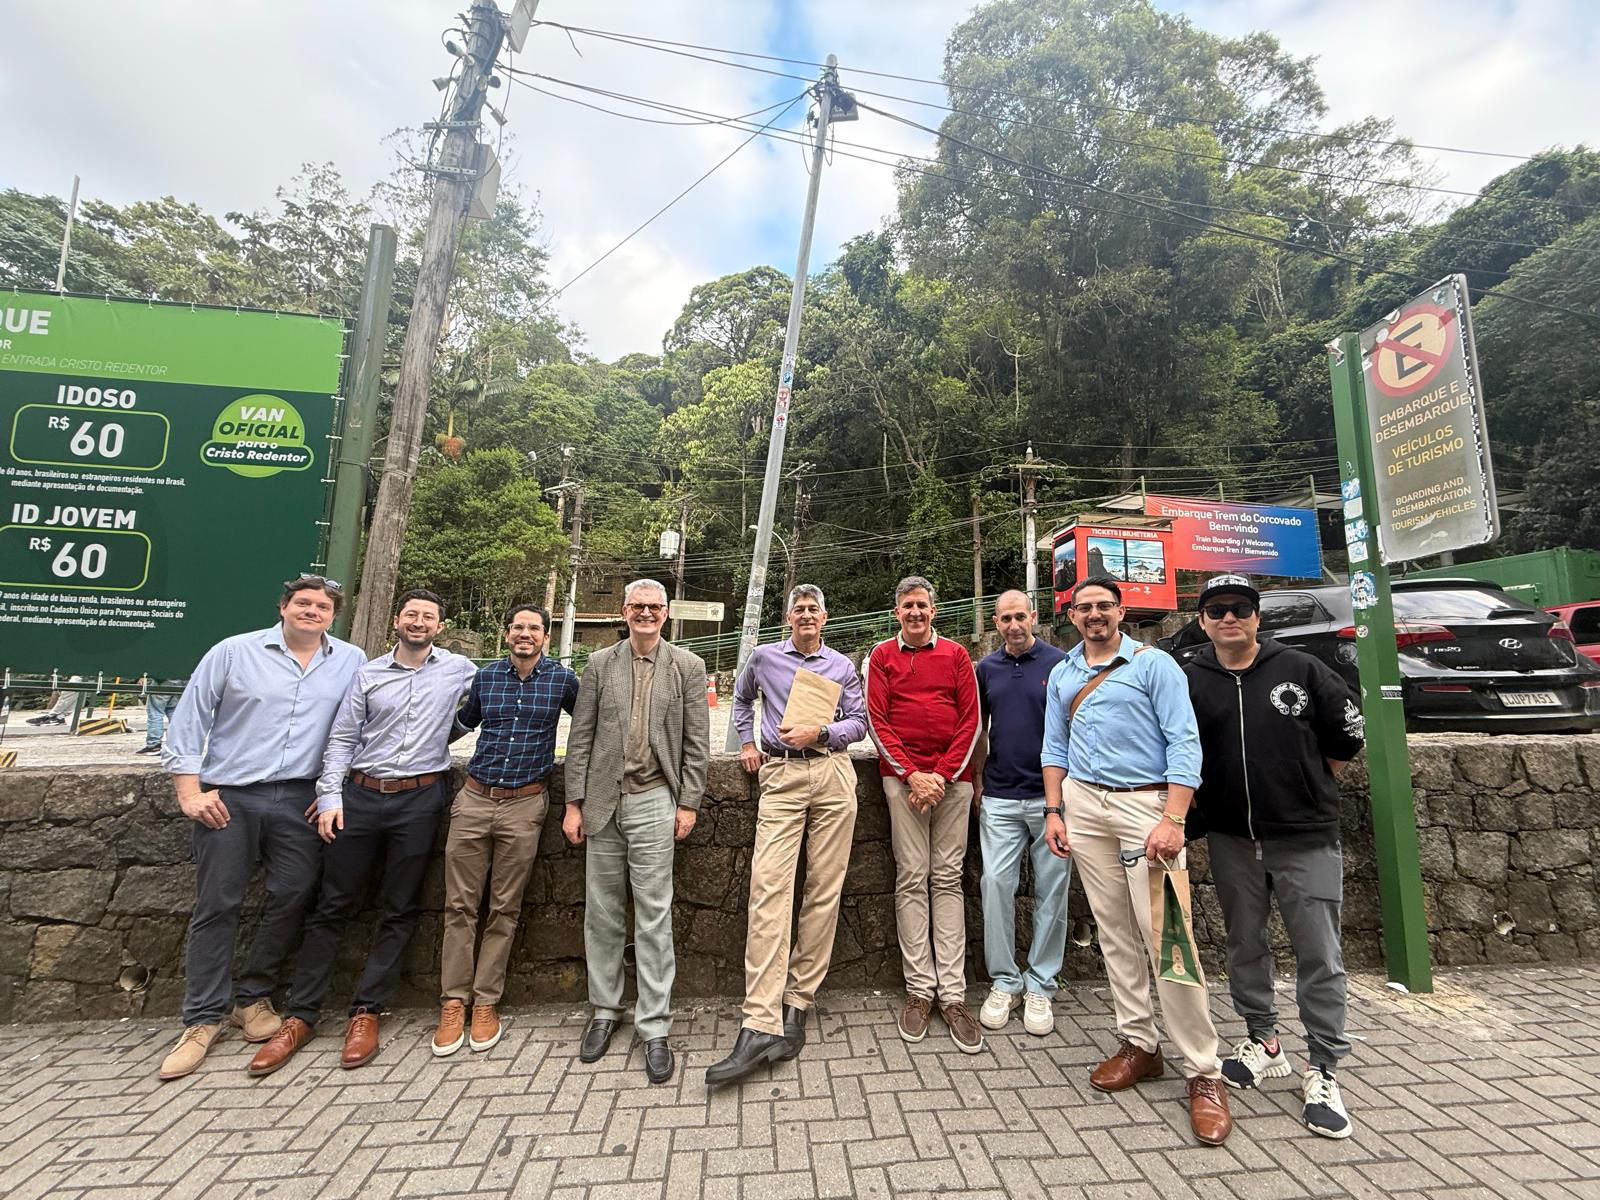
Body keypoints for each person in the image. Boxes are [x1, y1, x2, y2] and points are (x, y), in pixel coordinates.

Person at [248, 589, 476, 1076]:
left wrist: (448, 735)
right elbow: (343, 737)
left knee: (400, 906)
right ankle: (301, 1014)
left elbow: (491, 697)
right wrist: (330, 795)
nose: (419, 622)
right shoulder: (367, 674)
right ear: (397, 620)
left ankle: (367, 1011)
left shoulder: (459, 669)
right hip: (361, 795)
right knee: (332, 903)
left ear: (440, 626)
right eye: (411, 614)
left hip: (420, 798)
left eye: (429, 617)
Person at [1039, 575, 1231, 1145]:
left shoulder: (1154, 666)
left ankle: (1203, 1069)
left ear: (1121, 612)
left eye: (1104, 606)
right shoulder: (1063, 672)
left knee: (1169, 937)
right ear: (1072, 616)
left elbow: (1185, 742)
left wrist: (1174, 818)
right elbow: (1054, 746)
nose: (1094, 615)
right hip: (1084, 806)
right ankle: (1139, 1044)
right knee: (1114, 932)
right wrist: (1055, 810)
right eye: (1084, 608)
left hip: (1145, 807)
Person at [156, 575, 363, 1081]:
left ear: (333, 615)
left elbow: (357, 728)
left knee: (294, 892)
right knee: (218, 903)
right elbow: (189, 719)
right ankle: (202, 1019)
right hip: (232, 796)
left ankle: (252, 998)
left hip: (300, 799)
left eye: (322, 606)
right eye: (303, 603)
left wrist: (331, 790)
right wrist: (189, 792)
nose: (312, 611)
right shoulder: (233, 652)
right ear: (284, 607)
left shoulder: (351, 661)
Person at [1182, 574, 1365, 1139]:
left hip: (1304, 836)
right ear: (1203, 620)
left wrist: (1303, 783)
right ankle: (1264, 1039)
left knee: (1319, 952)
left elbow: (1347, 737)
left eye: (1240, 608)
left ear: (1257, 617)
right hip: (1231, 836)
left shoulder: (1302, 669)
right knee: (1244, 942)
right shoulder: (1192, 679)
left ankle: (1324, 1067)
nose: (1229, 618)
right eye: (1217, 610)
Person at [706, 584, 867, 1085]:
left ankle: (797, 1003)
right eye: (798, 609)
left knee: (824, 891)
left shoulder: (841, 666)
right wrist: (747, 742)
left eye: (814, 609)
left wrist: (823, 733)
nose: (806, 615)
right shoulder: (764, 658)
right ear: (788, 617)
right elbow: (740, 700)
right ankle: (759, 1020)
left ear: (825, 617)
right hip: (780, 774)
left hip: (832, 771)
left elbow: (859, 722)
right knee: (768, 890)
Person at [563, 578, 710, 1085]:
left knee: (653, 916)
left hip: (655, 800)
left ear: (665, 613)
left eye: (654, 607)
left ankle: (654, 1025)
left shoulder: (688, 666)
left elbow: (696, 743)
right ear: (625, 611)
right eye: (637, 606)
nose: (646, 613)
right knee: (602, 914)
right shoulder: (599, 665)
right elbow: (580, 738)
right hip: (603, 802)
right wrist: (573, 804)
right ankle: (605, 1010)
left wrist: (689, 802)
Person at [431, 602, 578, 1058]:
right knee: (459, 904)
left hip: (526, 803)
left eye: (533, 628)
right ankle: (453, 1001)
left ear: (546, 637)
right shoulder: (487, 677)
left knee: (504, 907)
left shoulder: (562, 681)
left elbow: (590, 727)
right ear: (507, 633)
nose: (524, 634)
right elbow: (462, 724)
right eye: (518, 627)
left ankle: (486, 1001)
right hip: (475, 798)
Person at [862, 575, 984, 1053]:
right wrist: (913, 775)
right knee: (912, 876)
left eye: (922, 605)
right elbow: (877, 721)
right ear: (897, 612)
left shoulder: (956, 656)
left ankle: (952, 996)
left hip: (952, 782)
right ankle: (919, 990)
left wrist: (943, 776)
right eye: (907, 605)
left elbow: (971, 720)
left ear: (934, 610)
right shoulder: (881, 657)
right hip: (903, 782)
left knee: (947, 879)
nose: (915, 612)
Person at [971, 589, 1071, 1037]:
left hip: (1052, 800)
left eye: (1020, 617)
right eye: (1005, 618)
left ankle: (1041, 983)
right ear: (996, 623)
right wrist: (978, 781)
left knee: (1053, 890)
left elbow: (1071, 727)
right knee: (995, 884)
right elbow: (979, 729)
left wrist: (1062, 796)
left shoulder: (1060, 663)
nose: (1013, 625)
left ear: (1033, 616)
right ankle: (1005, 980)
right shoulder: (986, 669)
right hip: (1000, 795)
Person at [138, 680, 181, 755]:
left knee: (155, 712)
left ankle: (154, 744)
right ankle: (178, 743)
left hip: (162, 681)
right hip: (182, 681)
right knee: (174, 712)